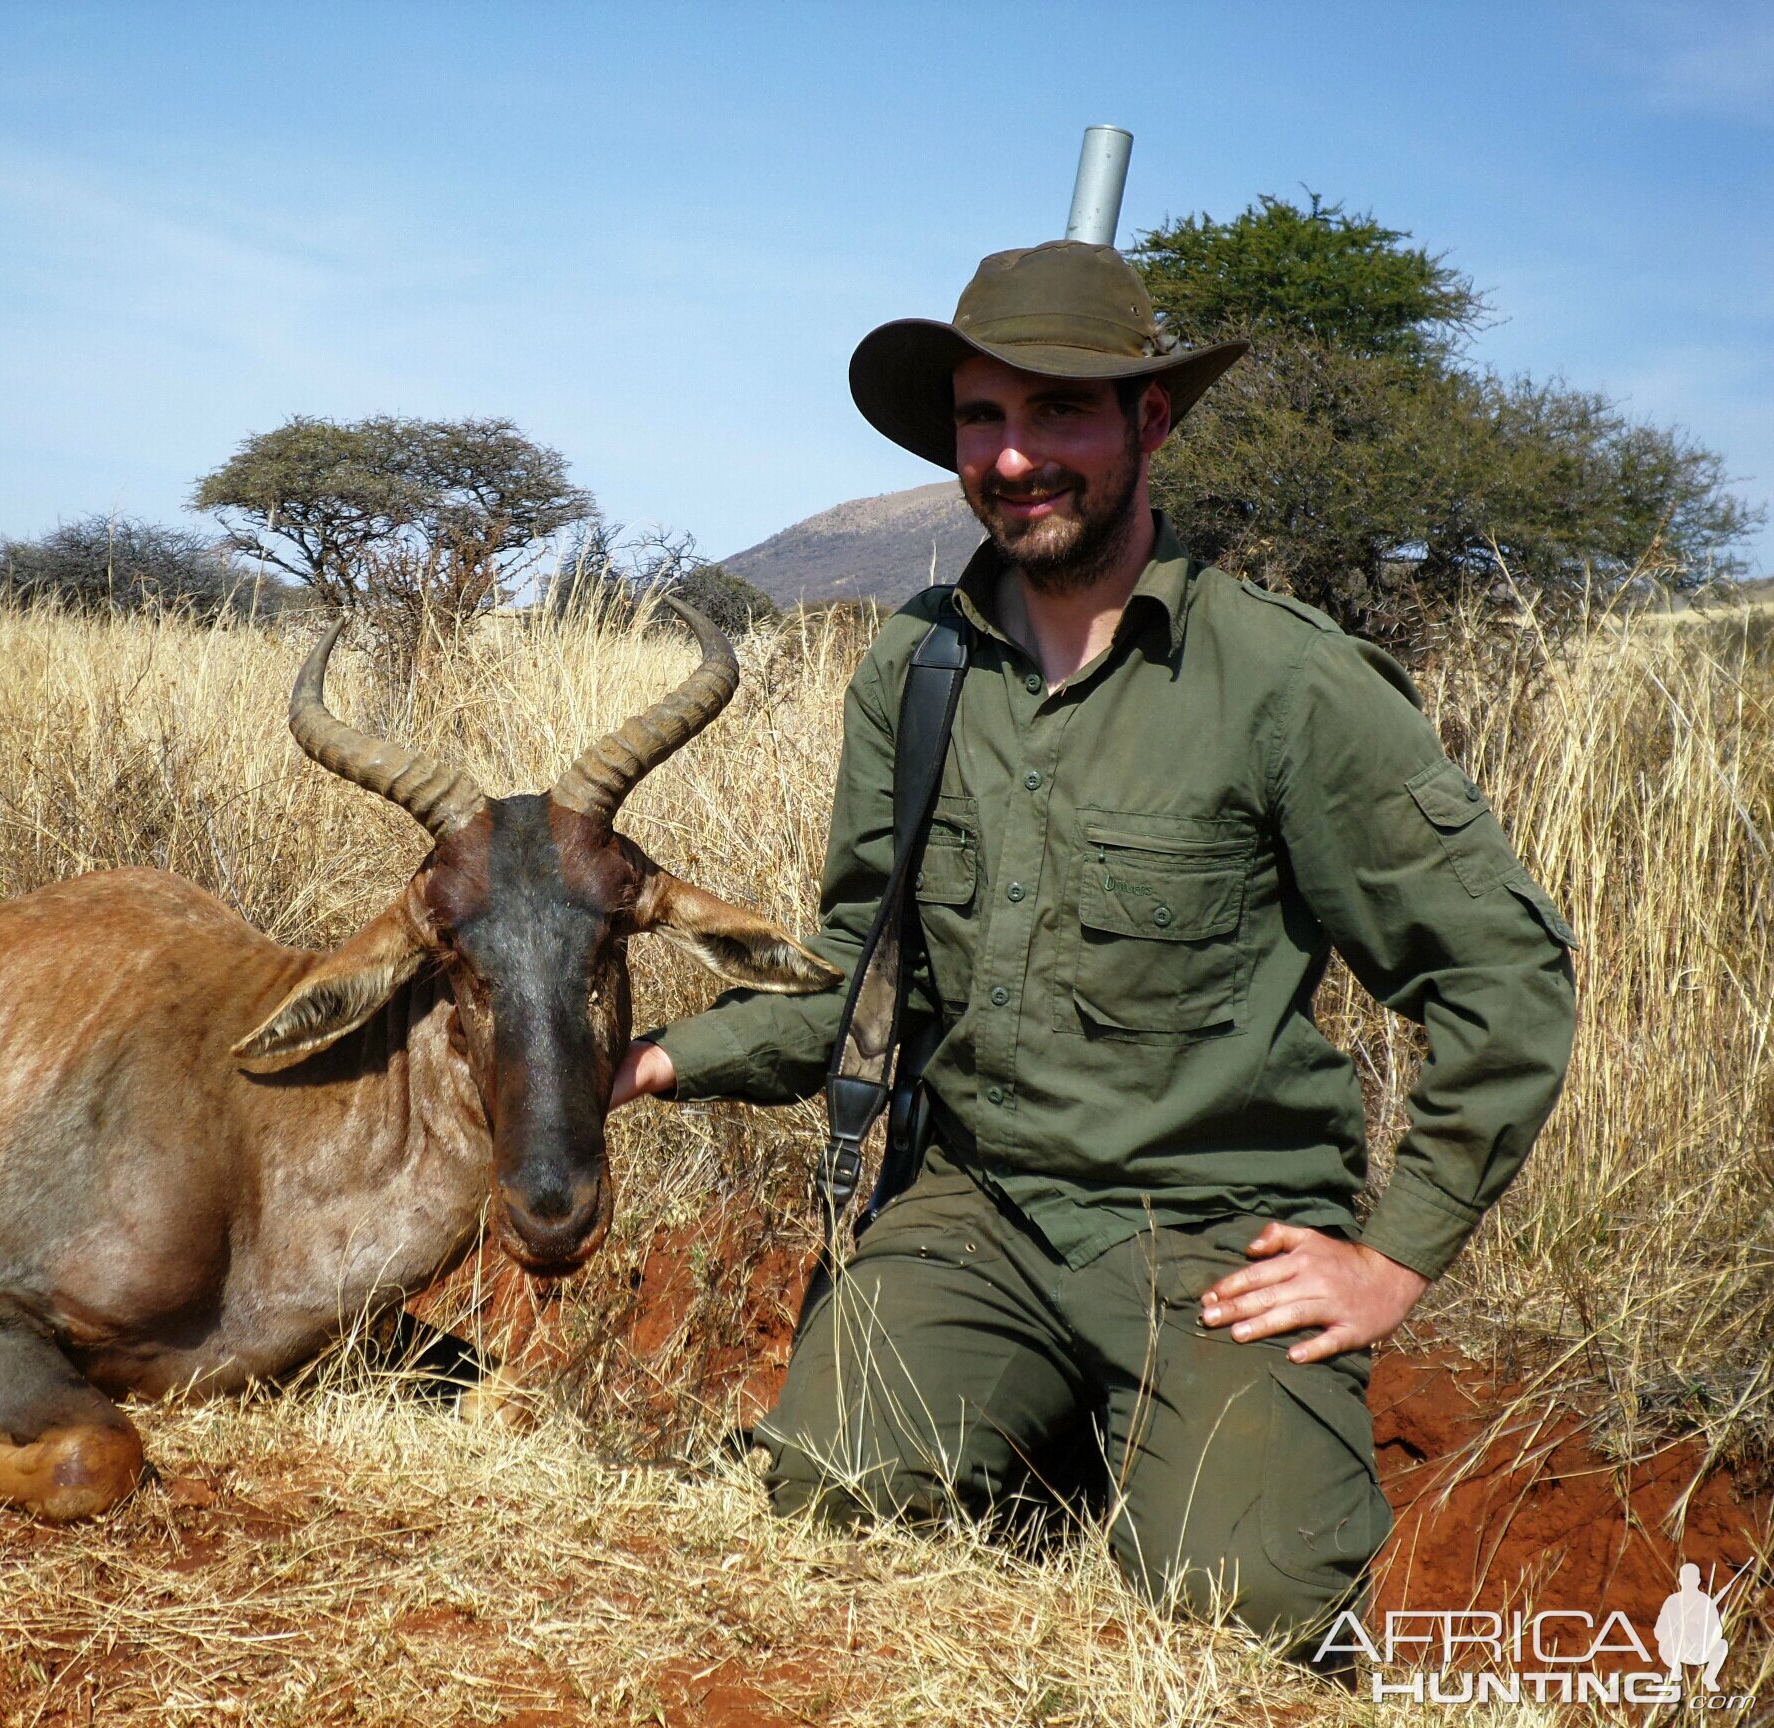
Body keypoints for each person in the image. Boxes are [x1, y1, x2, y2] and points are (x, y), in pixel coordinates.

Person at [608, 240, 1578, 1658]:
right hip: (975, 1210)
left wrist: (1397, 1260)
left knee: (1248, 1614)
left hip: (1208, 1231)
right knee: (831, 1499)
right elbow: (864, 975)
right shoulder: (916, 668)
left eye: (1059, 413)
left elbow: (1502, 976)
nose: (1013, 459)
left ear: (1151, 423)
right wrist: (650, 1060)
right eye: (983, 420)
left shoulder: (1287, 683)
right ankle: (1046, 1429)